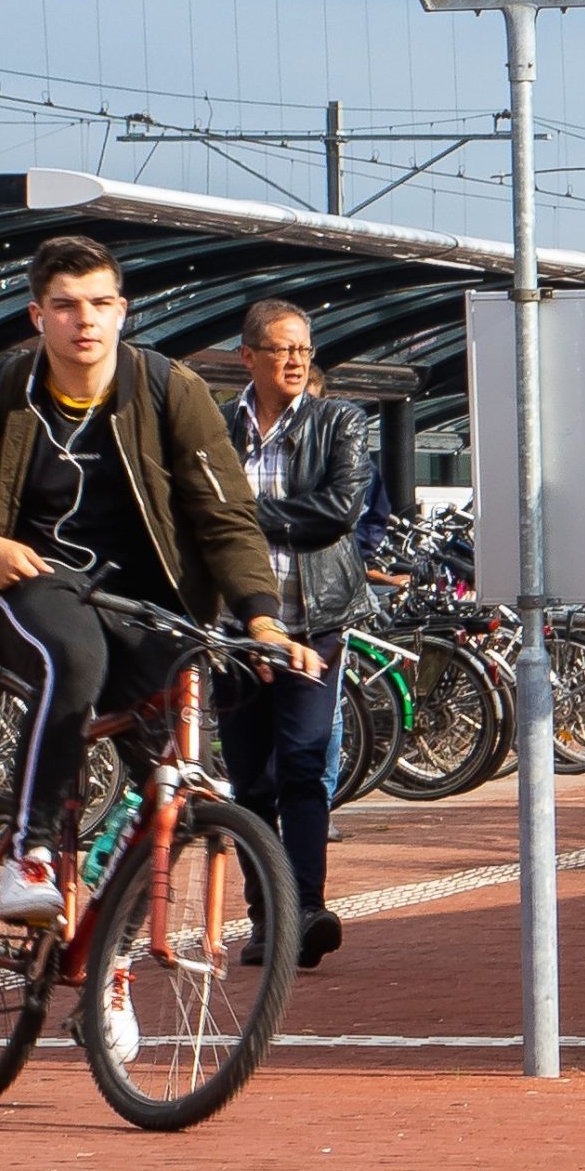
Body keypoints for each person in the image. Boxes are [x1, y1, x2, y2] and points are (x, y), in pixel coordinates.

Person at [0, 235, 319, 927]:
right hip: (34, 586)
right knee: (74, 656)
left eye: (97, 303)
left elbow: (227, 515)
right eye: (64, 306)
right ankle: (27, 850)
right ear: (38, 316)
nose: (82, 320)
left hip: (148, 602)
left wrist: (262, 616)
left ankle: (109, 960)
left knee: (171, 788)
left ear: (122, 310)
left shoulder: (167, 389)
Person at [220, 299, 372, 965]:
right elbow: (194, 514)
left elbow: (338, 511)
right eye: (280, 349)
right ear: (248, 355)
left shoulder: (340, 420)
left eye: (303, 349)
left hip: (316, 623)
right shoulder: (219, 427)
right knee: (250, 779)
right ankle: (266, 915)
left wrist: (240, 516)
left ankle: (306, 908)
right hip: (234, 631)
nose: (294, 360)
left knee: (305, 764)